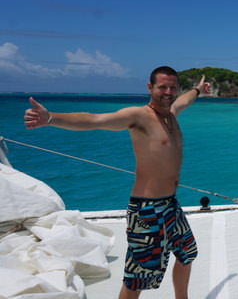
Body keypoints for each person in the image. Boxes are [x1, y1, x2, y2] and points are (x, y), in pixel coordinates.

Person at [23, 66, 211, 299]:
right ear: (150, 87)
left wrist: (197, 90)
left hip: (171, 205)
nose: (168, 91)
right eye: (162, 86)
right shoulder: (139, 116)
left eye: (173, 87)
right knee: (138, 277)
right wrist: (51, 118)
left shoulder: (171, 113)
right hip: (147, 211)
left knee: (187, 254)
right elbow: (95, 120)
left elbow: (185, 100)